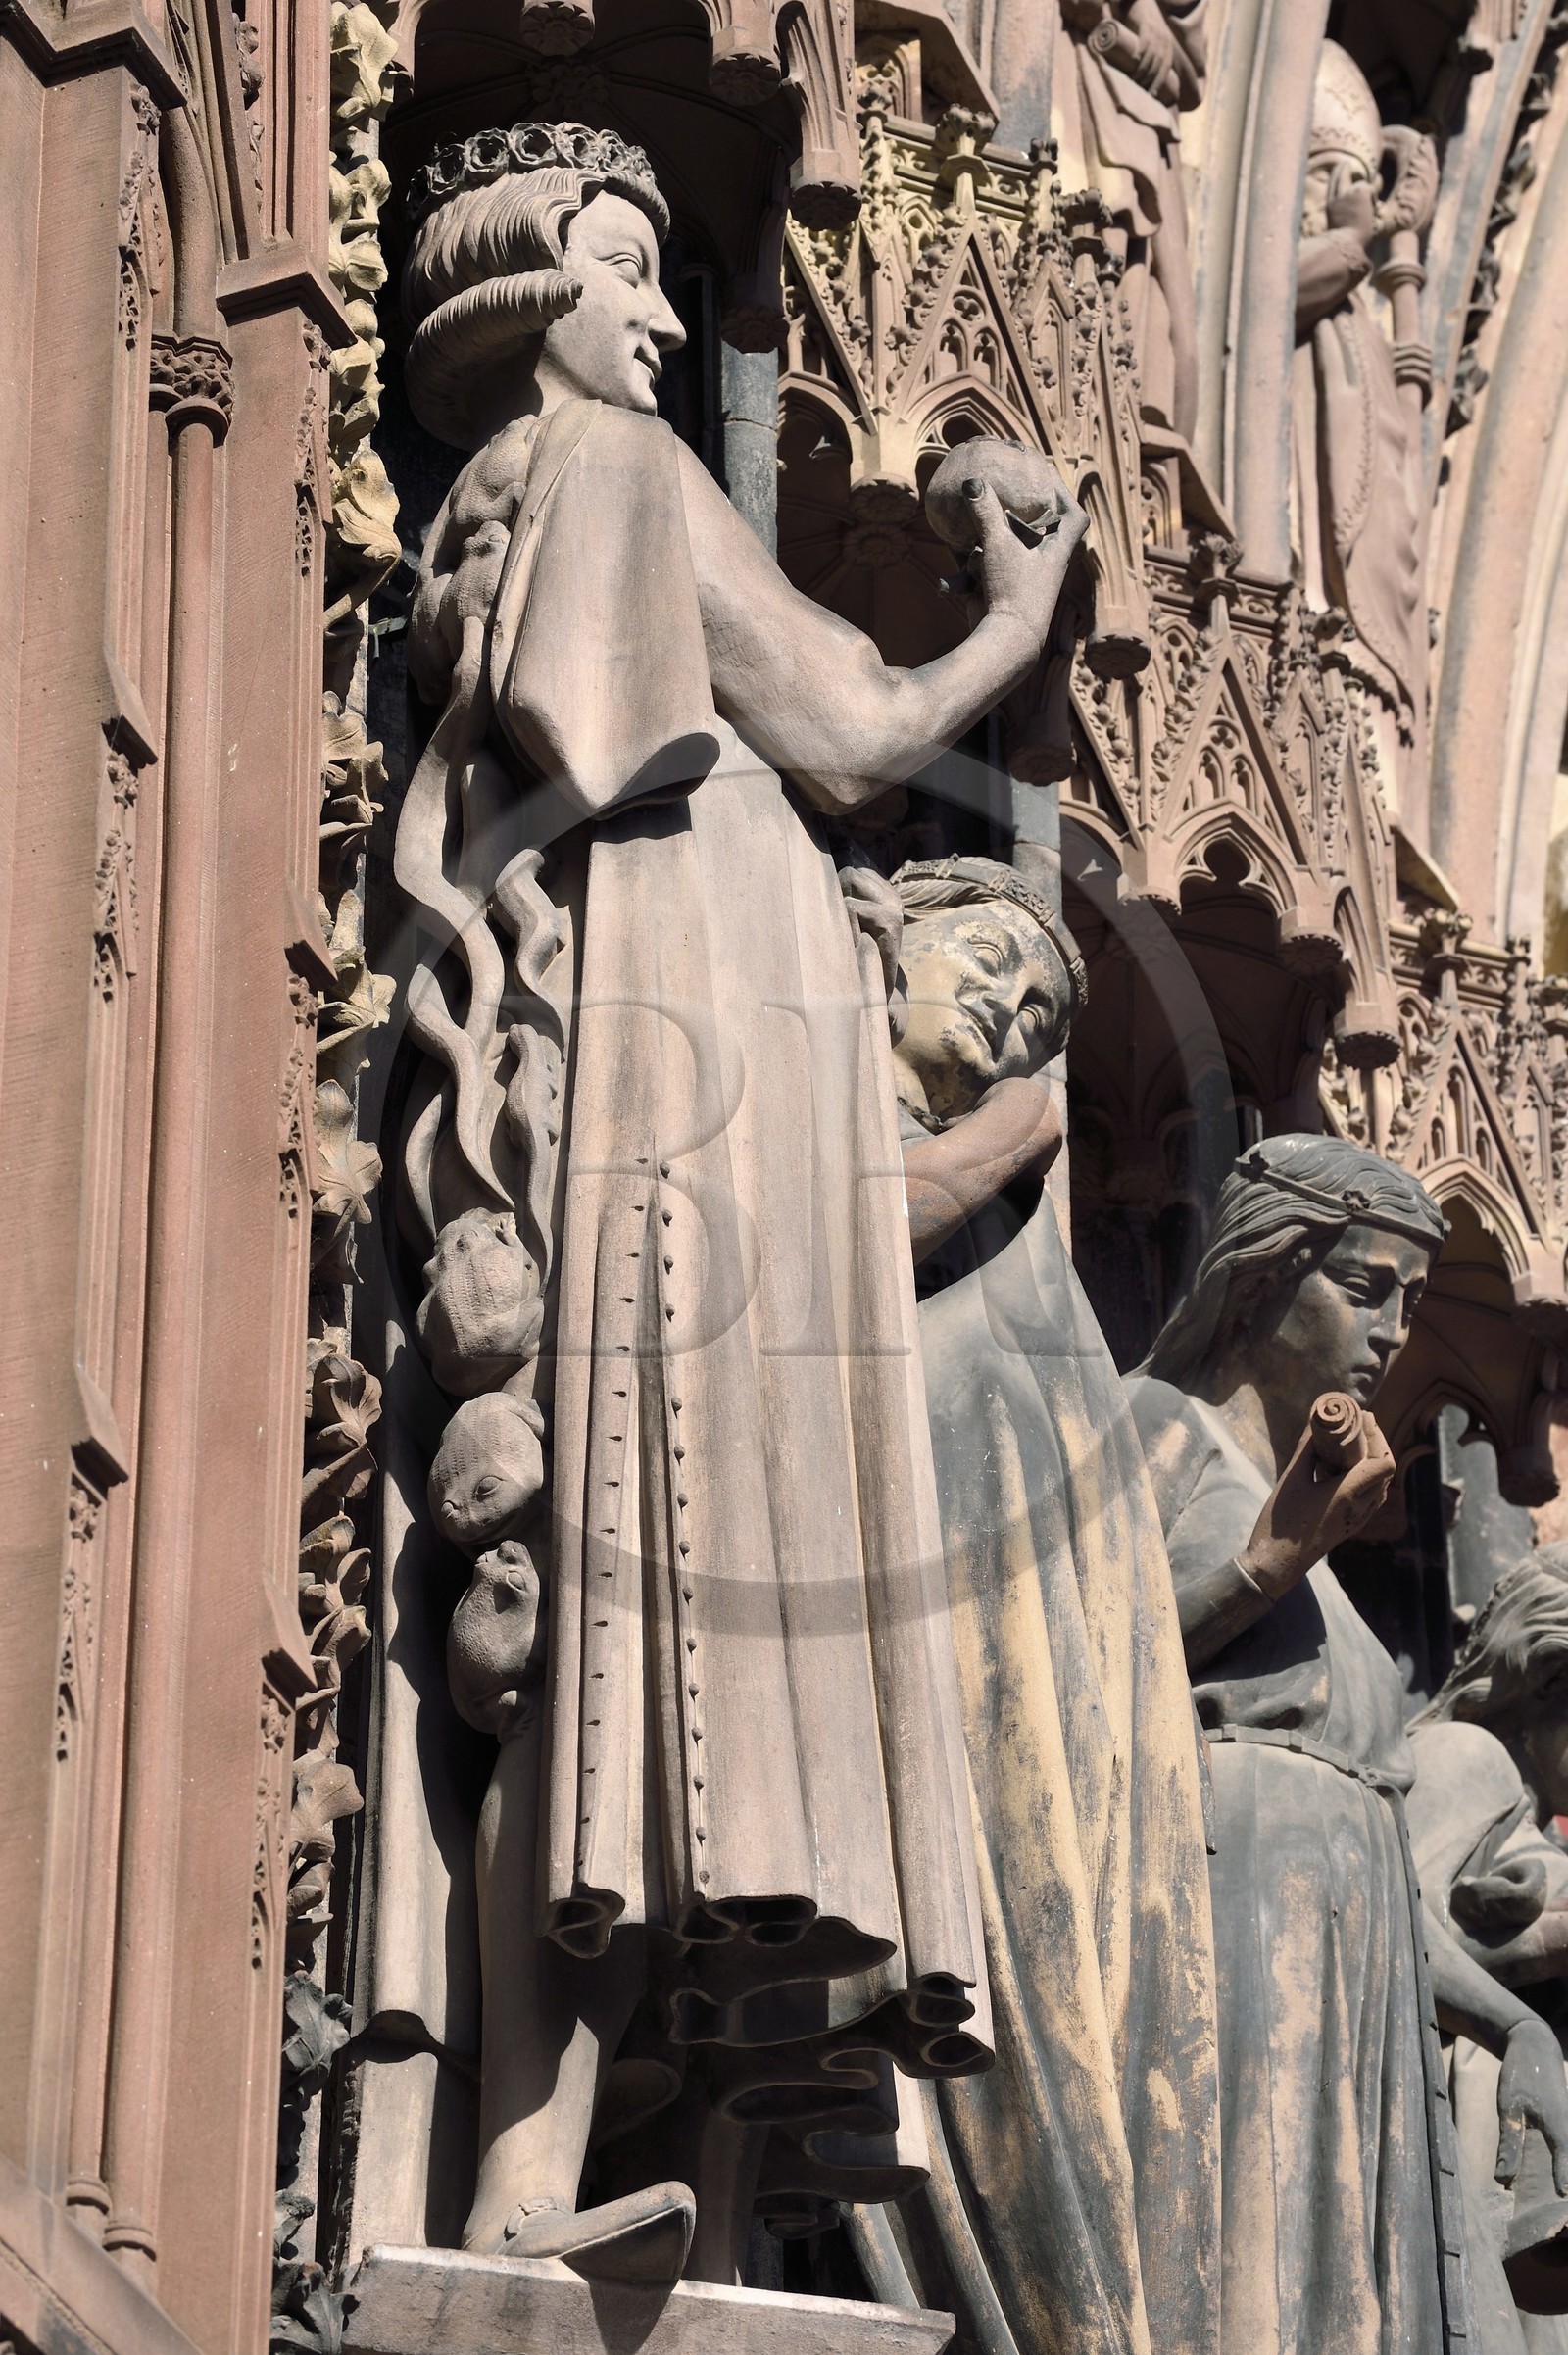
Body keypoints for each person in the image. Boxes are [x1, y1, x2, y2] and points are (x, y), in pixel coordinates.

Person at [386, 119, 1090, 2279]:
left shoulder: (541, 501)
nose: (661, 316)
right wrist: (1018, 612)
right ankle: (536, 2178)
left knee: (641, 1634)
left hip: (687, 1044)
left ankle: (560, 2163)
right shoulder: (616, 469)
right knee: (635, 1625)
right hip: (685, 1040)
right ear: (527, 295)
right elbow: (854, 727)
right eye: (621, 268)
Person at [842, 855, 1221, 2355]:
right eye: (989, 954)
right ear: (887, 938)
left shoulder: (1024, 1263)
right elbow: (839, 1246)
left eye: (1049, 1012)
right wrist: (1017, 1126)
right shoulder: (859, 1115)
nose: (1020, 1005)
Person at [1128, 1135, 1568, 2355]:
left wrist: (1516, 2026)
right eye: (1364, 1288)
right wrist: (1269, 1563)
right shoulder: (1152, 1425)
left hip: (1351, 1965)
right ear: (1263, 1275)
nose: (1389, 1334)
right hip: (1221, 1916)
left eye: (1410, 1305)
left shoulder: (1324, 1558)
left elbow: (1387, 1856)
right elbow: (1065, 1673)